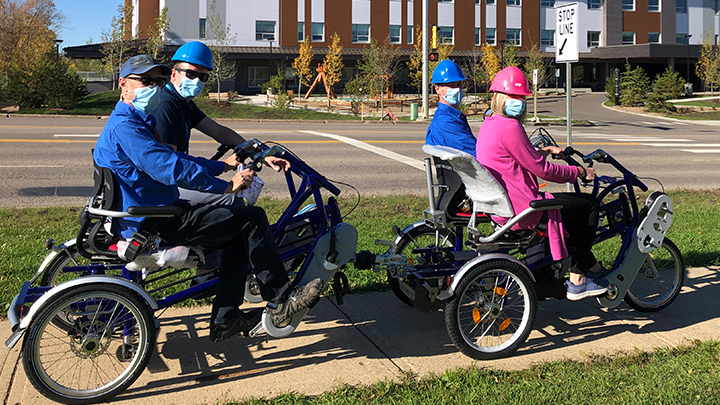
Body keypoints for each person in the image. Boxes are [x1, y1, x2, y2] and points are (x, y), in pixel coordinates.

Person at [93, 55, 323, 342]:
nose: (154, 86)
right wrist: (226, 187)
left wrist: (222, 166)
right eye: (146, 81)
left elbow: (174, 157)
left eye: (158, 81)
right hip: (156, 219)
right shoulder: (127, 127)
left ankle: (226, 319)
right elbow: (170, 168)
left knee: (236, 234)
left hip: (156, 211)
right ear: (123, 84)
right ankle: (282, 298)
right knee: (252, 219)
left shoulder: (135, 120)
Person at [475, 66, 609, 301]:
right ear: (499, 97)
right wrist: (577, 172)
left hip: (501, 208)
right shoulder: (511, 127)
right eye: (514, 97)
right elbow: (542, 170)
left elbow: (518, 158)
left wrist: (542, 151)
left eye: (522, 97)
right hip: (524, 209)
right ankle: (578, 279)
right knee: (589, 205)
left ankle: (595, 270)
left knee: (571, 212)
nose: (519, 102)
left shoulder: (489, 124)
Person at [153, 41, 287, 207]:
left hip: (174, 179)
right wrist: (222, 167)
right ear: (174, 74)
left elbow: (219, 131)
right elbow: (171, 164)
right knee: (232, 199)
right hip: (164, 186)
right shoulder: (165, 105)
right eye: (191, 74)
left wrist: (261, 154)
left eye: (203, 77)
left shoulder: (184, 103)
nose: (196, 81)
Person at [425, 59, 477, 156]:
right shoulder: (447, 123)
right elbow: (477, 154)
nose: (457, 89)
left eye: (458, 84)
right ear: (437, 89)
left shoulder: (451, 117)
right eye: (451, 86)